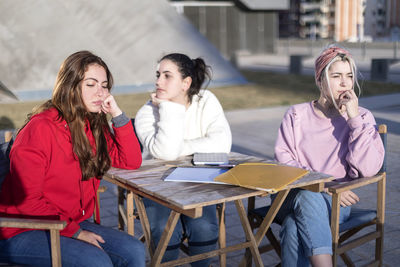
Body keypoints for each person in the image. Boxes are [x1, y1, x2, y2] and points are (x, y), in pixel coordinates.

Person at [0, 51, 145, 267]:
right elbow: (28, 202)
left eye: (104, 85)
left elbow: (130, 160)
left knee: (134, 250)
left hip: (69, 222)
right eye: (91, 84)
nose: (101, 93)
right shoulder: (40, 129)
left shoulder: (92, 125)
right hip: (22, 228)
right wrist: (76, 233)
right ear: (70, 86)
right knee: (96, 262)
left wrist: (117, 114)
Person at [273, 45, 385, 267]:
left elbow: (369, 169)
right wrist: (323, 185)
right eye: (336, 76)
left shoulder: (362, 117)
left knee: (293, 226)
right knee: (308, 196)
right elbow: (284, 161)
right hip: (292, 195)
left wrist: (354, 120)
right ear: (320, 80)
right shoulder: (297, 114)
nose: (345, 83)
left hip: (337, 201)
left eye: (349, 76)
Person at [134, 53, 232, 266]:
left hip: (197, 182)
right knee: (165, 229)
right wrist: (168, 108)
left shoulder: (206, 100)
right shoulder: (147, 113)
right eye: (158, 75)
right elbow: (167, 153)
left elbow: (223, 144)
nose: (158, 81)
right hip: (156, 186)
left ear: (186, 83)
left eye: (167, 76)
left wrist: (181, 148)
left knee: (204, 227)